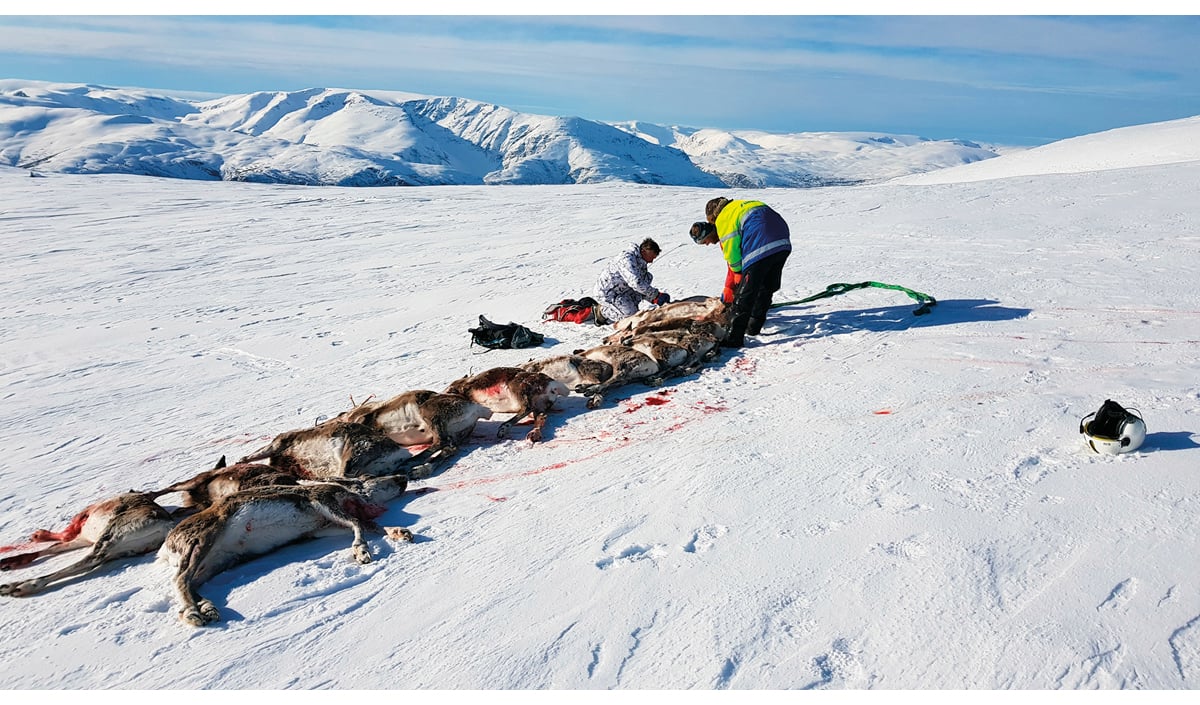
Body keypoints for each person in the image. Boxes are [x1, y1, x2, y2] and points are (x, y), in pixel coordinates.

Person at [689, 197, 791, 348]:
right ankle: (754, 326)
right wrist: (729, 287)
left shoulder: (724, 218)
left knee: (745, 296)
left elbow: (734, 259)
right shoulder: (739, 206)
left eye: (705, 241)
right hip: (782, 242)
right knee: (766, 287)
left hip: (760, 243)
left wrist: (738, 282)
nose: (708, 244)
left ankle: (733, 338)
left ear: (713, 218)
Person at [592, 237, 670, 324]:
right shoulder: (627, 259)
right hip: (608, 294)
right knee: (631, 318)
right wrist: (656, 294)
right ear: (644, 251)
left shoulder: (641, 261)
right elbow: (636, 283)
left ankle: (628, 306)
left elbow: (641, 284)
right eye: (652, 257)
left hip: (623, 290)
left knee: (647, 277)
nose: (651, 261)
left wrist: (653, 298)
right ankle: (602, 311)